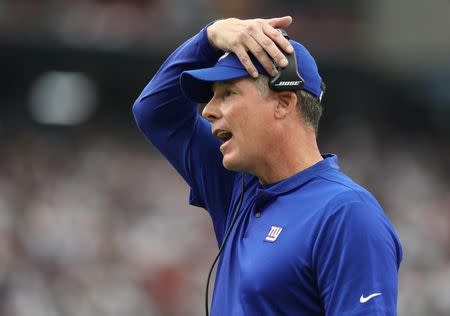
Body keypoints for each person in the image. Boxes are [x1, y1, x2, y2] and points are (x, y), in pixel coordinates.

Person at [133, 16, 403, 316]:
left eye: (227, 93)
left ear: (283, 103)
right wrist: (208, 38)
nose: (208, 111)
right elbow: (154, 112)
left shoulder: (346, 213)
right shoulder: (237, 186)